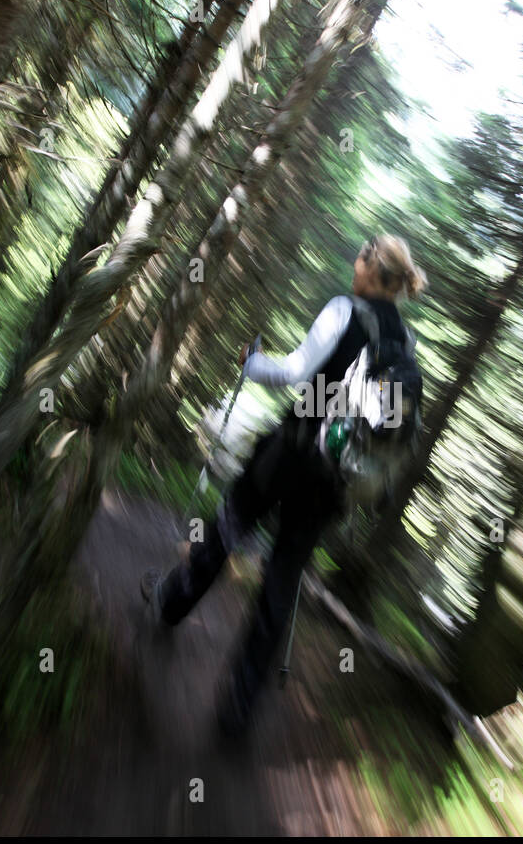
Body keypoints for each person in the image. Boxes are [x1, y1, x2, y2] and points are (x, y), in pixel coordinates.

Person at [141, 234, 427, 738]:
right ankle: (238, 711)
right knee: (283, 580)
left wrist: (253, 363)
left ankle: (170, 605)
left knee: (228, 526)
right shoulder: (403, 342)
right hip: (334, 482)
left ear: (373, 272)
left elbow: (297, 371)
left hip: (291, 453)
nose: (353, 258)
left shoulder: (345, 309)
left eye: (360, 253)